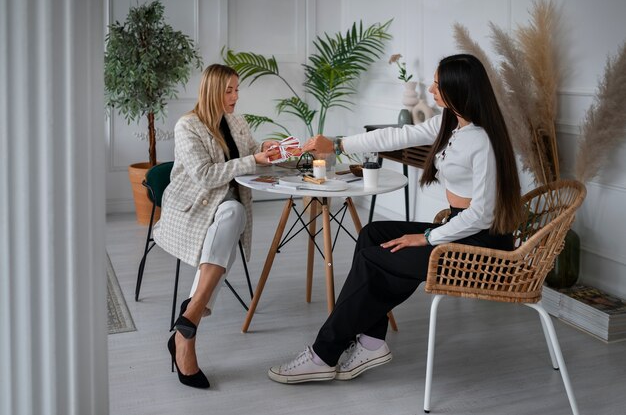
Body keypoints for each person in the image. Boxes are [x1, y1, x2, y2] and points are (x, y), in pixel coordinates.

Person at [267, 54, 523, 384]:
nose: (431, 89)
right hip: (458, 230)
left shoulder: (482, 140)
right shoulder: (449, 123)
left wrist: (428, 237)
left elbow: (482, 215)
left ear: (458, 89)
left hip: (480, 242)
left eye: (437, 84)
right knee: (372, 234)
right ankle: (372, 342)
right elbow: (396, 136)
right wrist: (340, 144)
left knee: (377, 259)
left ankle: (323, 354)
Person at [153, 64, 278, 389]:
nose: (236, 97)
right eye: (229, 90)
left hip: (227, 207)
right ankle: (189, 323)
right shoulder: (188, 126)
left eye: (237, 89)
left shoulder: (236, 120)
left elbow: (251, 152)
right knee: (232, 214)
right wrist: (254, 161)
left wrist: (266, 150)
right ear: (212, 91)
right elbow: (205, 176)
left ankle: (188, 322)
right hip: (194, 206)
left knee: (233, 212)